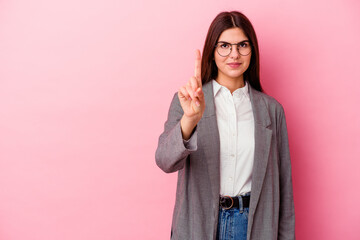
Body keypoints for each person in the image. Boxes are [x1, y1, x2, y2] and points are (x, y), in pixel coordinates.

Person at [155, 11, 295, 240]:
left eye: (242, 45)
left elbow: (284, 191)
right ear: (212, 50)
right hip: (199, 225)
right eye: (224, 46)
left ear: (252, 50)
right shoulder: (188, 101)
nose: (234, 54)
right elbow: (164, 161)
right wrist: (189, 119)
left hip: (254, 225)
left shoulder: (272, 110)